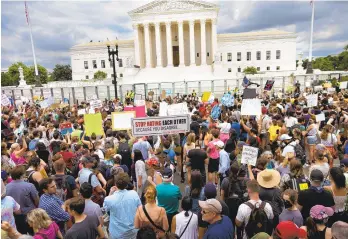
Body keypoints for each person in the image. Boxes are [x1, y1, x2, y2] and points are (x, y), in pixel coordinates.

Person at [104, 172, 141, 239]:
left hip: (117, 232)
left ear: (115, 183)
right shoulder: (134, 194)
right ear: (127, 184)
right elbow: (140, 209)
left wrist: (110, 192)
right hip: (132, 230)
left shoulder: (109, 199)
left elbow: (105, 208)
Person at [6, 166, 39, 234]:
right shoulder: (29, 186)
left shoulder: (7, 187)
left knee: (20, 234)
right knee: (33, 234)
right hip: (30, 215)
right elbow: (37, 200)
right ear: (22, 175)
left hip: (15, 216)